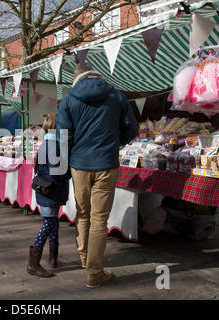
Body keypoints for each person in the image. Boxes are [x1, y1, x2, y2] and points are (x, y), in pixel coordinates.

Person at [57, 61, 138, 288]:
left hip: (78, 165)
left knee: (83, 214)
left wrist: (66, 163)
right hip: (106, 164)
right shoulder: (116, 95)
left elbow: (64, 137)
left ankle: (86, 261)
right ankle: (94, 272)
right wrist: (115, 142)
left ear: (77, 78)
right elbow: (132, 129)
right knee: (99, 219)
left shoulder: (68, 99)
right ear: (96, 74)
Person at [27, 113, 70, 278]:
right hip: (51, 192)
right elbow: (57, 172)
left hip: (47, 192)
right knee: (48, 225)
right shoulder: (54, 145)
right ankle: (33, 264)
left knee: (53, 223)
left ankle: (53, 258)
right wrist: (68, 174)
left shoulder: (47, 143)